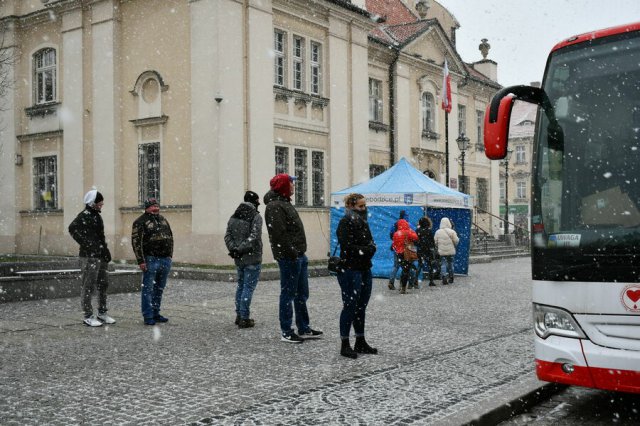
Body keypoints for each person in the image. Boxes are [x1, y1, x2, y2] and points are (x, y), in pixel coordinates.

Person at [264, 173, 323, 343]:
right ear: (283, 186)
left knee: (301, 294)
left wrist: (299, 253)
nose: (293, 186)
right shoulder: (275, 206)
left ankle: (303, 327)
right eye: (291, 183)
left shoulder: (284, 203)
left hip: (298, 256)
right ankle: (287, 331)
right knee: (288, 294)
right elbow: (279, 235)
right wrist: (293, 253)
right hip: (290, 258)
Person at [336, 193, 378, 359]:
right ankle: (345, 344)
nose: (364, 209)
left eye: (364, 206)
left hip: (364, 268)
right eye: (360, 206)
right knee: (350, 306)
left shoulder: (363, 222)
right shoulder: (345, 222)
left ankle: (360, 340)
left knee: (361, 306)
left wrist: (369, 248)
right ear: (351, 206)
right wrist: (367, 250)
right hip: (350, 269)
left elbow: (370, 242)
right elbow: (347, 247)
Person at [68, 189, 115, 327]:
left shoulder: (96, 216)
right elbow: (72, 228)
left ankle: (102, 312)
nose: (102, 204)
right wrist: (87, 244)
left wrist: (105, 250)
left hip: (100, 256)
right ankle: (88, 315)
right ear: (92, 203)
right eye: (99, 202)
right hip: (89, 257)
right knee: (88, 285)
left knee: (103, 284)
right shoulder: (85, 215)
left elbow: (101, 236)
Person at [131, 197, 174, 325]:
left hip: (165, 259)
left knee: (159, 288)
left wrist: (170, 255)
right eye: (153, 206)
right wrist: (141, 260)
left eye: (157, 205)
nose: (156, 208)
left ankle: (156, 313)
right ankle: (148, 315)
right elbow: (136, 242)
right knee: (148, 289)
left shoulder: (163, 220)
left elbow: (170, 237)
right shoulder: (140, 222)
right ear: (147, 208)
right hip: (150, 259)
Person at [224, 191, 263, 329]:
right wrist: (241, 248)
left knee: (241, 286)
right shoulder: (256, 217)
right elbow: (254, 237)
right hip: (252, 257)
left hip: (238, 258)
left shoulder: (233, 216)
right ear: (254, 202)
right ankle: (244, 317)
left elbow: (227, 236)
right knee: (248, 287)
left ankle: (239, 315)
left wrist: (234, 249)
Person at [388, 210, 414, 290]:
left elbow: (391, 235)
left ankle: (391, 282)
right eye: (407, 215)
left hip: (396, 247)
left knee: (396, 266)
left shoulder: (395, 224)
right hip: (407, 248)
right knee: (408, 266)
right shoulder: (408, 225)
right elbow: (413, 236)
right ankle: (409, 283)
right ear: (405, 216)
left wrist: (396, 241)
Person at [392, 218, 418, 294]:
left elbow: (394, 244)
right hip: (407, 253)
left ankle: (401, 285)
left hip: (399, 253)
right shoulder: (409, 232)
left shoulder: (396, 233)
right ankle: (403, 288)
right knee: (406, 270)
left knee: (403, 269)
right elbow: (416, 237)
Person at [434, 217, 459, 285]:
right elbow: (456, 240)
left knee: (443, 264)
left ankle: (444, 277)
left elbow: (435, 242)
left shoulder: (438, 232)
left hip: (442, 251)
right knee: (450, 263)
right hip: (450, 251)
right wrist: (454, 245)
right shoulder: (452, 231)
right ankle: (451, 277)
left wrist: (438, 247)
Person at [416, 216, 436, 287]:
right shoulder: (429, 230)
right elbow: (432, 241)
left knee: (420, 265)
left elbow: (416, 241)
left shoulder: (417, 230)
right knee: (430, 266)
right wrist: (433, 247)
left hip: (420, 250)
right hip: (428, 250)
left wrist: (418, 245)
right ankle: (431, 281)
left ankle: (415, 281)